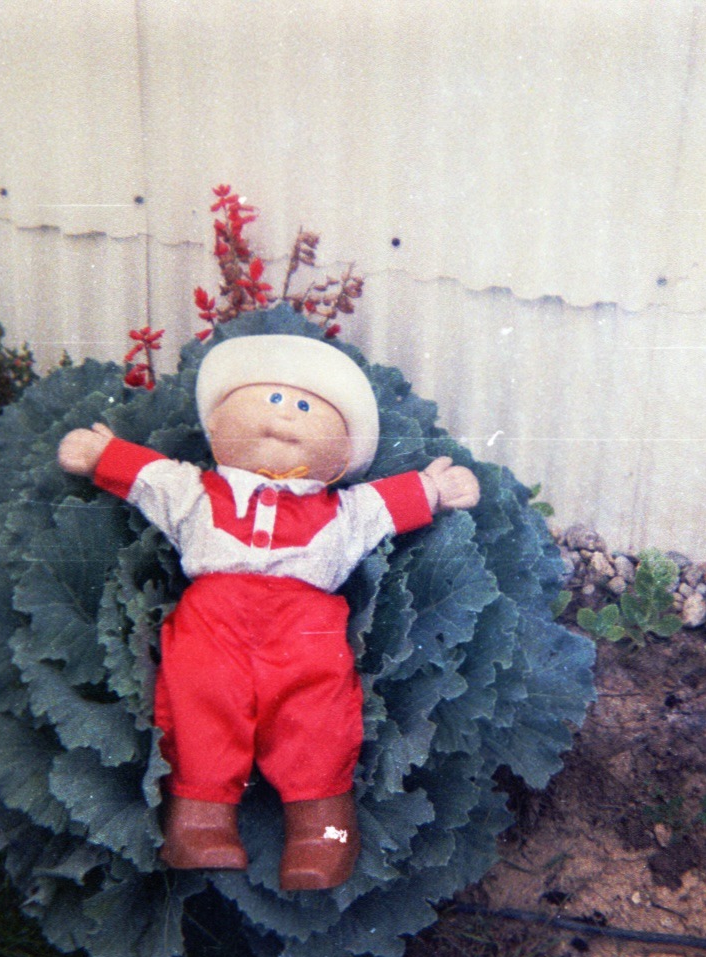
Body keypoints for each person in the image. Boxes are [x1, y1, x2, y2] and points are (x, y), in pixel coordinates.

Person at [57, 333, 479, 889]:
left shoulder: (346, 510)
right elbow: (149, 479)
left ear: (344, 454)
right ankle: (200, 821)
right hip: (213, 625)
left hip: (306, 632)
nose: (285, 417)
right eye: (270, 399)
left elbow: (386, 505)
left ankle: (323, 832)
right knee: (201, 704)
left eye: (306, 407)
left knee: (318, 719)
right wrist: (105, 457)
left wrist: (434, 489)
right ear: (218, 427)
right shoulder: (195, 491)